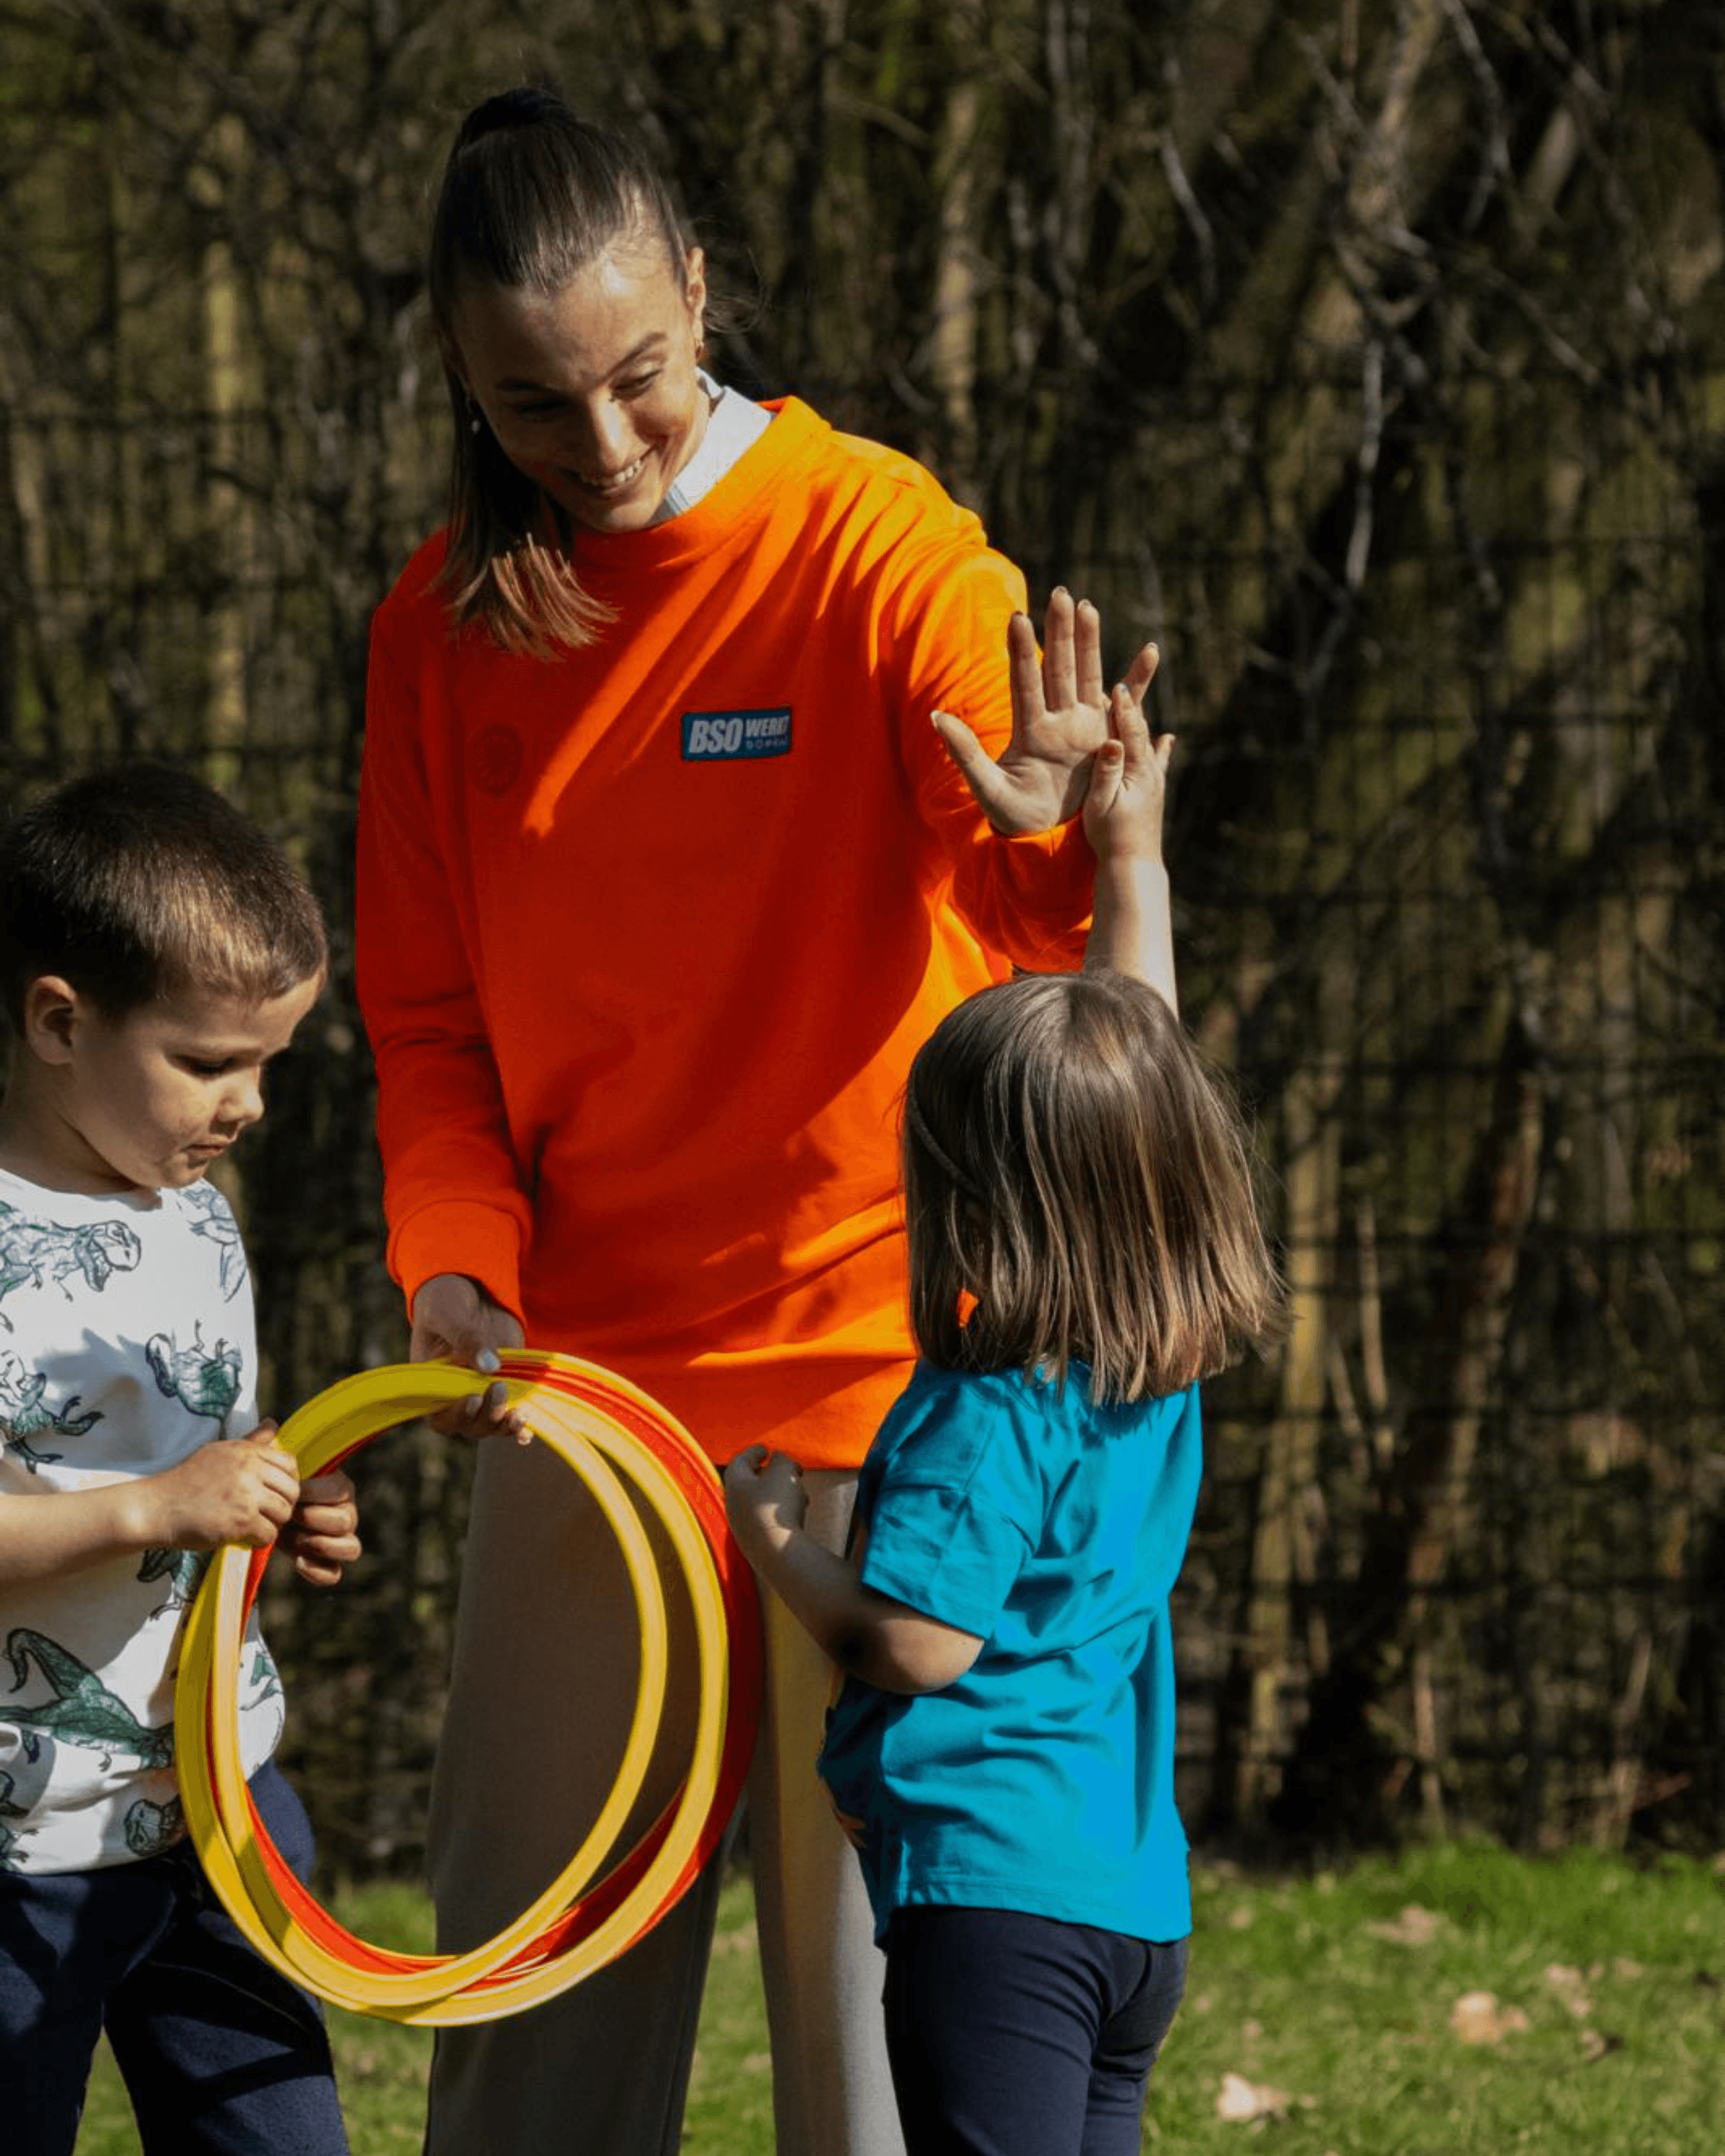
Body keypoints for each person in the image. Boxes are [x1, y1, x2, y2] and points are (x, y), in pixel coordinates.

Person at [354, 84, 1158, 2156]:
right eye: (533, 404)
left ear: (699, 291)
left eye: (635, 373)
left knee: (889, 2077)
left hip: (899, 1409)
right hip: (582, 1401)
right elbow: (427, 1019)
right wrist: (455, 1263)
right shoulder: (437, 637)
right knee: (530, 2053)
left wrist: (1067, 816)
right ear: (457, 376)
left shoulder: (877, 540)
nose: (602, 443)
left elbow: (1043, 917)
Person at [723, 688, 1286, 2155]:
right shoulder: (1156, 1363)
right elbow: (1135, 1058)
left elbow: (917, 1644)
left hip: (993, 1897)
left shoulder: (992, 1405)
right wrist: (1130, 864)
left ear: (971, 1202)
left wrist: (776, 1539)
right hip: (1127, 1901)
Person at [0, 762, 362, 2156]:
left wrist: (286, 1506)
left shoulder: (197, 1216)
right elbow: (153, 1491)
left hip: (218, 1806)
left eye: (266, 1061)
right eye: (208, 1061)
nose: (250, 1103)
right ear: (58, 1021)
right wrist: (157, 1504)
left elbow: (211, 1448)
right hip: (25, 1847)